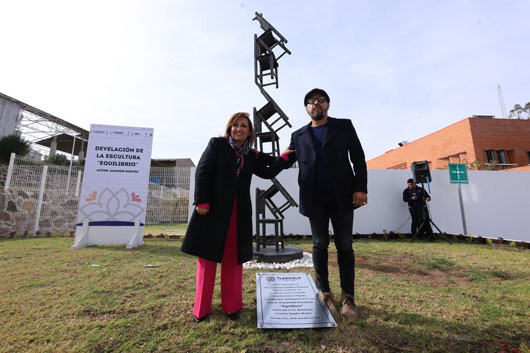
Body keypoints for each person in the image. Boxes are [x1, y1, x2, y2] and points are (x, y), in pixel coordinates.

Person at [181, 112, 288, 323]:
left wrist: (285, 157)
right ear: (229, 127)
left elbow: (268, 171)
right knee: (208, 259)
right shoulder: (217, 145)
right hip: (212, 211)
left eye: (244, 126)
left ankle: (232, 307)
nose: (239, 129)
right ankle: (201, 310)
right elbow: (202, 172)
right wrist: (201, 201)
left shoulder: (249, 155)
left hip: (238, 213)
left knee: (233, 260)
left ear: (249, 132)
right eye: (235, 125)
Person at [280, 88, 368, 319]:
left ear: (328, 105)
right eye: (310, 101)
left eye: (320, 100)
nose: (315, 103)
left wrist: (360, 188)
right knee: (319, 245)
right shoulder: (298, 135)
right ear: (306, 108)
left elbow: (358, 157)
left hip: (342, 196)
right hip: (315, 199)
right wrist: (263, 158)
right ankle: (324, 292)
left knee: (345, 245)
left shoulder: (344, 126)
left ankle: (348, 297)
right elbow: (285, 160)